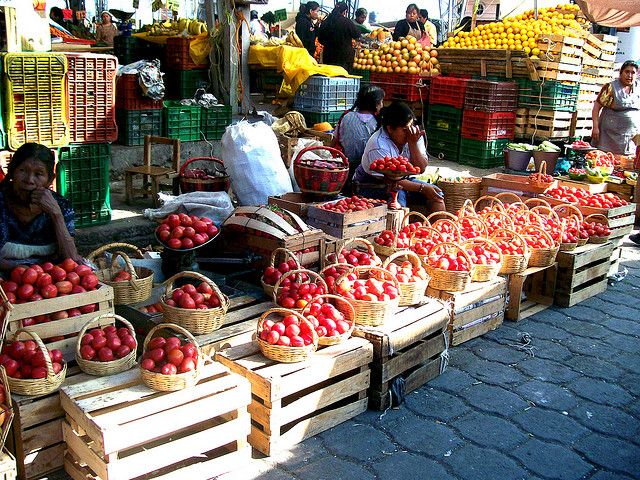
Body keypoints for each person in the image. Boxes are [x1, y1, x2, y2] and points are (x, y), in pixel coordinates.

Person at [352, 101, 445, 212]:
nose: (410, 132)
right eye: (405, 130)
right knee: (398, 204)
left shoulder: (413, 135)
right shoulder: (378, 145)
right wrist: (423, 188)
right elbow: (391, 180)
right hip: (373, 184)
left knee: (437, 195)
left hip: (403, 181)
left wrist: (413, 144)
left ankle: (439, 227)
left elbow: (421, 168)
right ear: (390, 129)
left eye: (411, 127)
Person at [0, 143, 80, 271]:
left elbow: (72, 260)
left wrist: (56, 214)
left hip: (50, 282)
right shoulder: (2, 203)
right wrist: (23, 271)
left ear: (50, 180)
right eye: (22, 171)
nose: (29, 180)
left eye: (38, 174)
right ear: (11, 172)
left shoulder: (62, 206)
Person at [336, 85, 385, 193]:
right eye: (381, 102)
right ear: (376, 104)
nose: (382, 105)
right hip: (368, 172)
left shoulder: (346, 116)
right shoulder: (378, 122)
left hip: (345, 168)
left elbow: (336, 139)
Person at [592, 61, 640, 155]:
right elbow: (597, 107)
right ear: (621, 73)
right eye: (627, 72)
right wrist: (595, 127)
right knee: (606, 159)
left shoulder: (638, 88)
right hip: (609, 134)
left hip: (629, 135)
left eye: (633, 73)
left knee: (625, 162)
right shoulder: (611, 87)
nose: (629, 75)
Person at [317, 2, 361, 71]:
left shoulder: (326, 22)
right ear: (345, 11)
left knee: (330, 77)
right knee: (343, 78)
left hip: (329, 56)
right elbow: (357, 34)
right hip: (344, 58)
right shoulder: (347, 22)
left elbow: (320, 39)